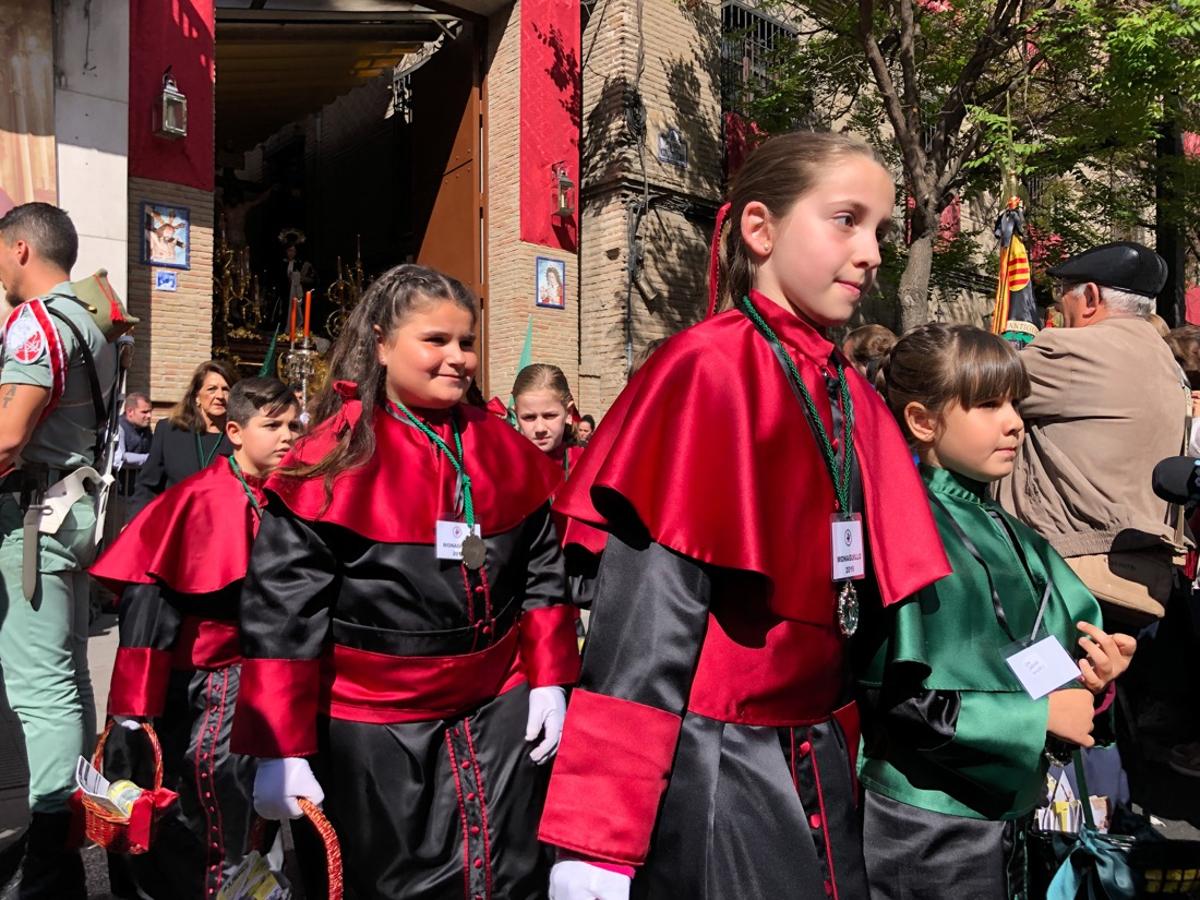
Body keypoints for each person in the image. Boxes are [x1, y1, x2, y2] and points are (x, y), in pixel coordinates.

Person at [538, 132, 951, 900]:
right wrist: (599, 838)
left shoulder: (848, 391)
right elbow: (643, 626)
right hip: (720, 765)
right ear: (759, 229)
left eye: (881, 232)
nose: (871, 254)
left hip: (824, 753)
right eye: (846, 220)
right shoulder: (707, 368)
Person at [229, 264, 582, 899]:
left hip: (498, 711)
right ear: (382, 344)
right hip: (376, 726)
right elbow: (284, 611)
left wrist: (550, 678)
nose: (457, 359)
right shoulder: (331, 455)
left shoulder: (499, 444)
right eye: (436, 341)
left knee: (507, 875)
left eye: (466, 343)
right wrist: (279, 744)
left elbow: (540, 565)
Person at [860, 323, 1135, 899]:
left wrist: (1093, 681)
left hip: (1010, 821)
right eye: (989, 404)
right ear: (923, 421)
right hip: (928, 830)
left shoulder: (1015, 535)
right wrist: (1037, 720)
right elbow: (899, 698)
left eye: (1015, 402)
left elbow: (1043, 667)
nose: (1015, 421)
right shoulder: (901, 532)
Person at [89, 378, 299, 898]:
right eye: (272, 426)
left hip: (269, 675)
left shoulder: (288, 491)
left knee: (257, 806)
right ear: (234, 431)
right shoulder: (199, 500)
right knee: (212, 795)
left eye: (293, 425)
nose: (288, 437)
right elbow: (147, 599)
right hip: (211, 680)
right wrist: (131, 709)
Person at [0, 201, 117, 898]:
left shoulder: (35, 323)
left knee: (41, 689)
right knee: (68, 678)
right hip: (69, 509)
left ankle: (50, 851)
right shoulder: (89, 321)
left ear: (20, 250)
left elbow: (9, 437)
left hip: (32, 517)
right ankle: (67, 824)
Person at [995, 242, 1189, 624]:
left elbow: (967, 394)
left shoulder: (1069, 349)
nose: (1057, 308)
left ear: (1090, 297)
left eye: (1060, 293)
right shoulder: (1165, 359)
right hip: (1144, 576)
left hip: (1065, 574)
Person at [130, 361, 234, 517]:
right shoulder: (169, 430)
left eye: (226, 389)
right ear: (196, 397)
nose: (220, 396)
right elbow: (147, 485)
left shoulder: (239, 438)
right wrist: (134, 522)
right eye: (212, 389)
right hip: (175, 526)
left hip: (220, 529)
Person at [118, 391, 153, 494]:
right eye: (144, 412)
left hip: (141, 491)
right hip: (120, 494)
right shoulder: (118, 427)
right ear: (130, 412)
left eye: (150, 411)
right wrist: (150, 458)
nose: (149, 416)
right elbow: (121, 457)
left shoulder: (146, 429)